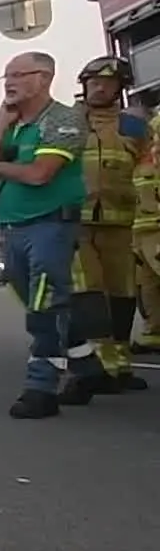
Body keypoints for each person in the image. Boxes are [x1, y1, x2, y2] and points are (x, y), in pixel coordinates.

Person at [0, 51, 106, 418]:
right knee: (41, 301)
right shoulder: (8, 125)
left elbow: (41, 173)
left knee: (44, 306)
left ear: (43, 78)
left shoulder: (63, 120)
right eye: (5, 76)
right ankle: (88, 368)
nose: (9, 82)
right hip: (11, 229)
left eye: (18, 75)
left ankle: (41, 385)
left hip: (51, 225)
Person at [68, 55, 150, 394]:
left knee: (122, 293)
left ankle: (121, 362)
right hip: (76, 222)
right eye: (94, 82)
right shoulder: (68, 122)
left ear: (121, 89)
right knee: (89, 292)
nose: (100, 88)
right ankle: (98, 363)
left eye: (108, 83)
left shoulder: (134, 126)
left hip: (122, 222)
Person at [131, 82, 160, 355]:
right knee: (147, 286)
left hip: (155, 228)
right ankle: (154, 331)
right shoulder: (134, 157)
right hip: (137, 233)